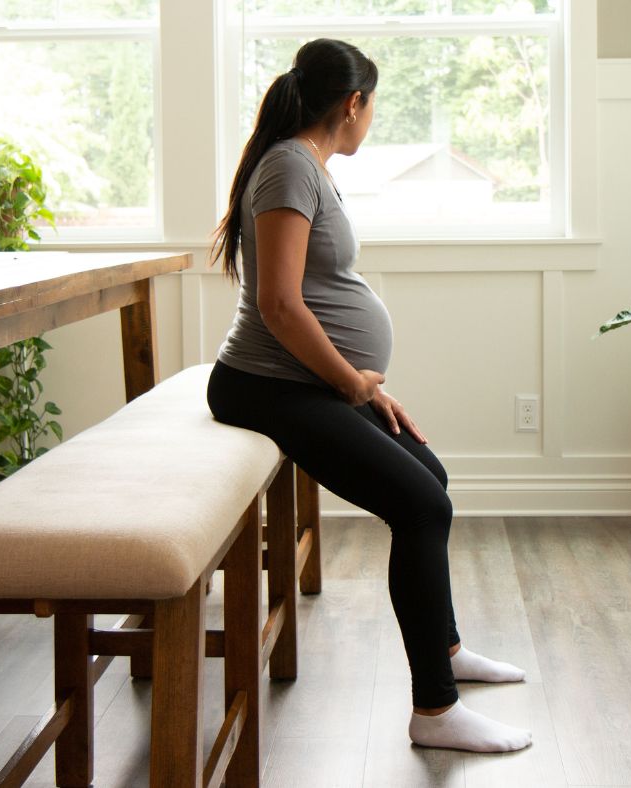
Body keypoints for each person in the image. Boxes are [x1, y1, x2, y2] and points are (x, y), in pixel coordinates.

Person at [208, 38, 532, 754]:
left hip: (305, 383)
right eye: (372, 106)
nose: (372, 118)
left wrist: (358, 389)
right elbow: (280, 305)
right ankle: (435, 711)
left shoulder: (304, 165)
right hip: (267, 388)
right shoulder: (292, 165)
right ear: (353, 103)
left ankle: (445, 651)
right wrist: (351, 381)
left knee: (431, 480)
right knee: (419, 505)